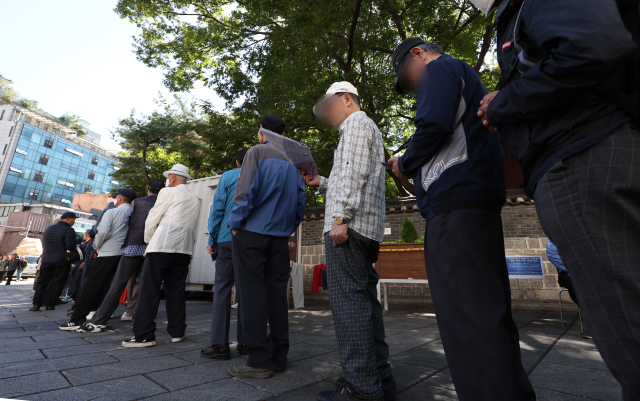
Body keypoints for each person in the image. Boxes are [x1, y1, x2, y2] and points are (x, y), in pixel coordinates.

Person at [472, 0, 640, 398]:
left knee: (625, 327)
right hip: (593, 149)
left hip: (579, 158)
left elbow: (592, 44)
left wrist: (505, 103)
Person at [387, 39, 534, 401]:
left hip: (453, 202)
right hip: (476, 200)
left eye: (408, 78)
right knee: (488, 314)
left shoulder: (440, 68)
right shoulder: (465, 76)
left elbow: (433, 124)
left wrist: (404, 162)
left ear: (418, 54)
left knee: (467, 321)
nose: (414, 87)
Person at [303, 82, 394, 401]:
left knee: (349, 308)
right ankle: (380, 379)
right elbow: (354, 178)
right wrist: (322, 182)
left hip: (348, 228)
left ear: (346, 99)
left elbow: (354, 174)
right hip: (365, 229)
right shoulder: (367, 128)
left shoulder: (356, 124)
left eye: (330, 106)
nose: (327, 114)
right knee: (366, 305)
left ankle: (362, 387)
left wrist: (340, 218)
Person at [226, 116, 305, 379]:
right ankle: (279, 357)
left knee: (251, 294)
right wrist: (288, 227)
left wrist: (235, 224)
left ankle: (259, 360)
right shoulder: (296, 159)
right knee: (276, 294)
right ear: (284, 133)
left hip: (252, 233)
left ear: (262, 132)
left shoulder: (256, 152)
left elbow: (245, 191)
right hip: (280, 237)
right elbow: (301, 203)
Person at [122, 164, 200, 347]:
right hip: (183, 249)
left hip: (162, 245)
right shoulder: (195, 198)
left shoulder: (167, 192)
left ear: (172, 178)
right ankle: (177, 331)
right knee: (177, 290)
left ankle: (144, 334)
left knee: (149, 289)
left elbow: (152, 218)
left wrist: (149, 240)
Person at [77, 179, 165, 333]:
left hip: (132, 247)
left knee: (118, 284)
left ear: (147, 188)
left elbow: (127, 221)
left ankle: (99, 320)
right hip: (152, 248)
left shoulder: (137, 202)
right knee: (146, 286)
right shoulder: (164, 203)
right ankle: (140, 320)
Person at [59, 188, 137, 330]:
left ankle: (77, 319)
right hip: (125, 253)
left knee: (90, 285)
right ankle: (102, 317)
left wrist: (96, 245)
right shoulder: (133, 213)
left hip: (107, 252)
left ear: (119, 198)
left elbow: (103, 231)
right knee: (115, 287)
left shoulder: (112, 212)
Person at [200, 149, 249, 360]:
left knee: (222, 289)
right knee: (247, 290)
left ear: (237, 162)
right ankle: (247, 343)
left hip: (225, 238)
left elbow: (218, 208)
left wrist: (211, 238)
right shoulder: (260, 175)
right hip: (249, 240)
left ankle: (219, 345)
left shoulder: (228, 176)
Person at [30, 212, 77, 311]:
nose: (74, 221)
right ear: (68, 219)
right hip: (61, 260)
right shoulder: (69, 230)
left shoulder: (48, 229)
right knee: (58, 282)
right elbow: (70, 246)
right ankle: (51, 304)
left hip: (46, 259)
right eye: (74, 219)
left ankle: (36, 304)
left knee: (42, 282)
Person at [547, 239, 591, 339]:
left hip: (592, 271)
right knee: (577, 286)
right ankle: (596, 326)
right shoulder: (557, 231)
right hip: (569, 272)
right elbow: (553, 254)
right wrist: (576, 268)